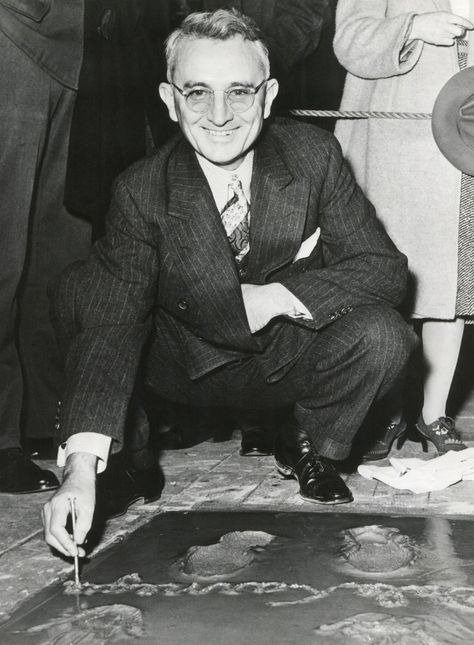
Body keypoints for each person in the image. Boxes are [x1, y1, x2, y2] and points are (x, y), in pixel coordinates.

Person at [42, 8, 416, 558]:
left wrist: (275, 298)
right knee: (82, 292)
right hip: (180, 363)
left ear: (267, 97)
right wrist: (79, 467)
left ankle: (309, 441)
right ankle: (132, 464)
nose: (219, 115)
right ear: (170, 101)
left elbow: (383, 267)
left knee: (384, 333)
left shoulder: (313, 157)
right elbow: (111, 325)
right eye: (198, 93)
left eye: (239, 92)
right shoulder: (142, 191)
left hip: (284, 358)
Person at [334, 0, 473, 460]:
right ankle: (383, 412)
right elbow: (349, 40)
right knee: (389, 284)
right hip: (396, 152)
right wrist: (414, 27)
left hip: (464, 150)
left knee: (453, 288)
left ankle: (433, 414)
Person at [0, 0, 91, 493]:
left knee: (59, 250)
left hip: (84, 44)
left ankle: (39, 417)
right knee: (3, 252)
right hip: (10, 31)